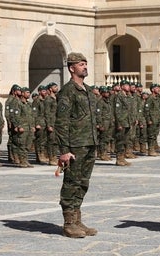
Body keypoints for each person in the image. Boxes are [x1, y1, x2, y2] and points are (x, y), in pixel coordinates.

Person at [55, 52, 98, 238]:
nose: (85, 67)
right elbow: (61, 122)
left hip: (89, 143)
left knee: (83, 183)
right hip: (75, 146)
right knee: (71, 183)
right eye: (81, 64)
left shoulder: (87, 90)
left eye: (86, 63)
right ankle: (69, 222)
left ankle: (77, 219)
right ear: (72, 68)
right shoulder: (67, 91)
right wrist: (64, 151)